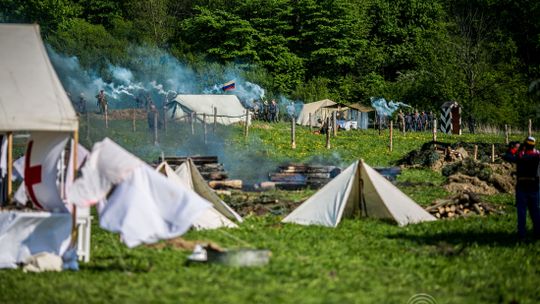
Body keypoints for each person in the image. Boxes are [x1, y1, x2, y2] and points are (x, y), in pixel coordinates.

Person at [504, 136, 540, 239]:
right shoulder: (537, 155)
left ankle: (522, 234)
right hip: (534, 186)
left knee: (522, 211)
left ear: (525, 145)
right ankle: (538, 232)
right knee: (535, 211)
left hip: (522, 186)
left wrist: (514, 149)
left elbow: (507, 156)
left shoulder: (520, 156)